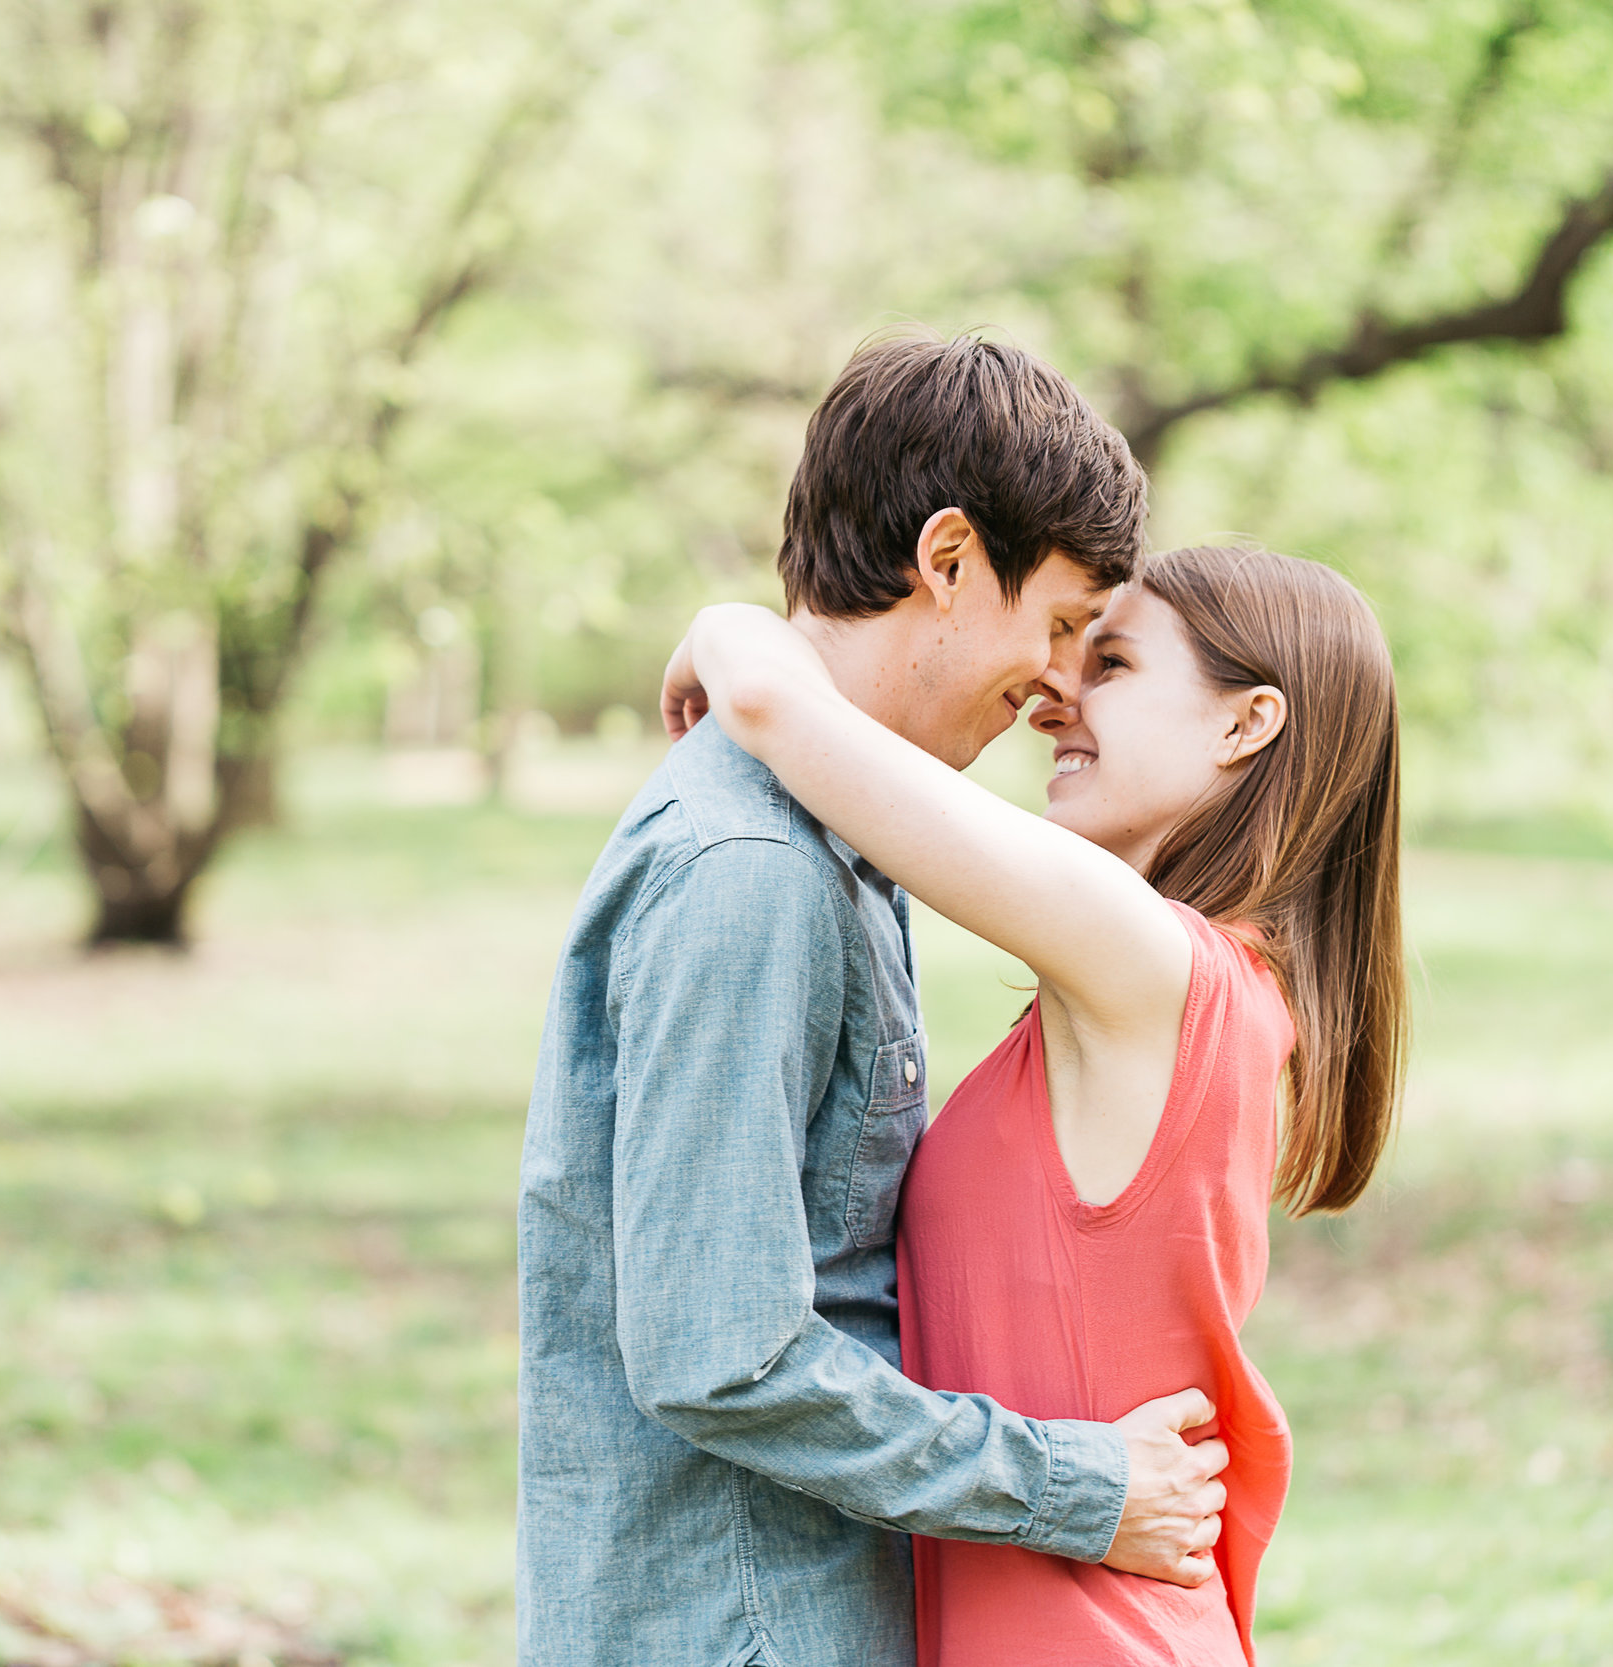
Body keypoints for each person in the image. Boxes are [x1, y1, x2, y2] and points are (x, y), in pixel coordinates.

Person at [517, 333, 1232, 1667]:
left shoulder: (835, 833)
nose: (1061, 687)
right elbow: (719, 1355)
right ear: (950, 561)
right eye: (1065, 623)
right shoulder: (753, 871)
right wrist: (1078, 1486)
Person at [659, 542, 1407, 1665]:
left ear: (1245, 724)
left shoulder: (1155, 968)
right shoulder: (1153, 986)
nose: (1056, 689)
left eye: (1109, 660)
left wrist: (719, 628)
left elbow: (773, 702)